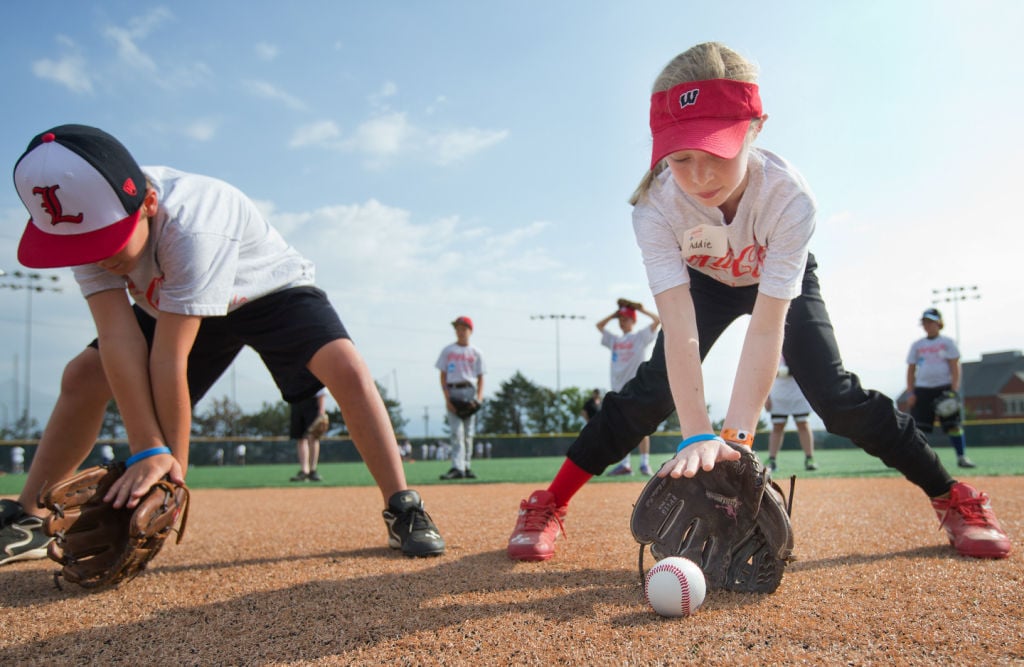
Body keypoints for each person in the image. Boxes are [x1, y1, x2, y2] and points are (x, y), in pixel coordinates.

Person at [507, 42, 1010, 562]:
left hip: (774, 277)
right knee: (650, 393)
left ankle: (955, 497)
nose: (699, 176)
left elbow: (767, 327)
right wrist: (696, 435)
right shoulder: (655, 207)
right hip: (703, 281)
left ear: (756, 128)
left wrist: (736, 440)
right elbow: (679, 327)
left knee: (835, 398)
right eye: (680, 158)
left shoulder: (789, 199)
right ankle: (548, 503)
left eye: (717, 153)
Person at [0, 124, 445, 566]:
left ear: (148, 204)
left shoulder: (195, 223)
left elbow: (168, 358)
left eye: (105, 242)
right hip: (174, 300)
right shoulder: (84, 220)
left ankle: (403, 505)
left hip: (265, 289)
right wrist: (149, 448)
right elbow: (120, 339)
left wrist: (167, 471)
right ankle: (30, 518)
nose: (97, 256)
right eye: (82, 246)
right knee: (82, 374)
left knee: (345, 367)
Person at [597, 301, 661, 476]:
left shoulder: (639, 337)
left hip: (635, 387)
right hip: (617, 389)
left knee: (642, 427)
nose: (622, 322)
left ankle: (644, 464)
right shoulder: (615, 340)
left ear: (633, 321)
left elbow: (658, 320)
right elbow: (599, 326)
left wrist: (642, 310)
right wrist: (614, 314)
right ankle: (625, 464)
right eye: (621, 319)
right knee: (621, 429)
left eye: (625, 319)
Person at [907, 308, 974, 468]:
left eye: (930, 321)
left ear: (939, 323)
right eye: (925, 322)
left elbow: (954, 366)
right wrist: (911, 392)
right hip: (922, 389)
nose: (927, 325)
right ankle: (919, 460)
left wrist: (954, 390)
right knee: (919, 428)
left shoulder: (947, 342)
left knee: (953, 425)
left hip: (944, 388)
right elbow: (911, 369)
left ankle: (961, 457)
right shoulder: (917, 345)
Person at [435, 316, 485, 480]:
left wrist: (479, 398)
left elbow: (480, 376)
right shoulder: (448, 350)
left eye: (463, 328)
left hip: (469, 390)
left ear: (470, 331)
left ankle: (467, 465)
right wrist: (447, 399)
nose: (460, 331)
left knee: (468, 433)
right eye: (457, 328)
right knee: (456, 433)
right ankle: (457, 467)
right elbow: (442, 375)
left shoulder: (476, 352)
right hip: (454, 390)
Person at [765, 356, 818, 471]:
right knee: (777, 427)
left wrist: (783, 371)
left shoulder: (800, 347)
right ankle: (772, 460)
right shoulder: (773, 346)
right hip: (778, 394)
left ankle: (810, 458)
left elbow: (806, 369)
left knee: (803, 424)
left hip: (798, 393)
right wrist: (766, 397)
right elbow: (766, 372)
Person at [289, 387, 327, 481]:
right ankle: (304, 471)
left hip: (312, 403)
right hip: (296, 401)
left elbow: (321, 391)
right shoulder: (293, 373)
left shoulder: (315, 372)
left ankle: (312, 470)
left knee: (313, 437)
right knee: (300, 437)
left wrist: (322, 411)